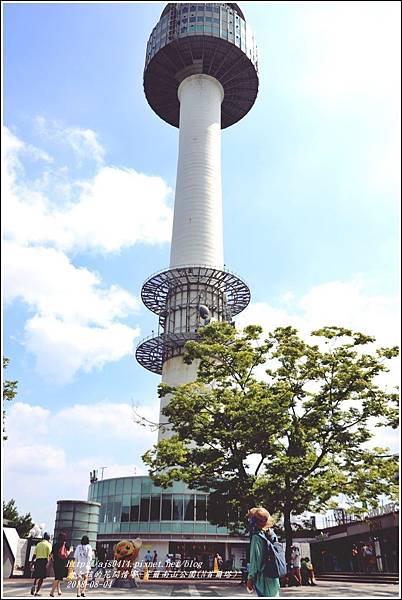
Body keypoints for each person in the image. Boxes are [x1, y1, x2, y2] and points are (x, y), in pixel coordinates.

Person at [246, 507, 281, 598]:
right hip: (274, 577)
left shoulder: (257, 537)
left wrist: (250, 578)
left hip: (263, 580)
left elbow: (255, 561)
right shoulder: (272, 534)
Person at [49, 532, 69, 597]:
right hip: (62, 563)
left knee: (58, 577)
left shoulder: (55, 545)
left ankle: (59, 590)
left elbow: (51, 554)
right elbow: (66, 554)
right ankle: (52, 592)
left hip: (56, 563)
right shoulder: (65, 545)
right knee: (58, 577)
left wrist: (52, 560)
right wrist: (70, 551)